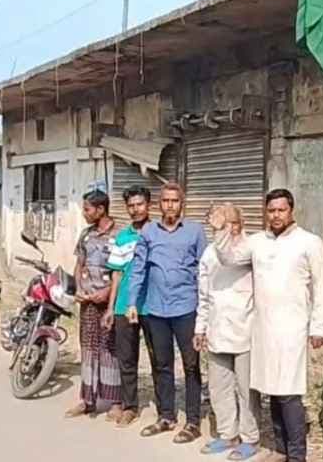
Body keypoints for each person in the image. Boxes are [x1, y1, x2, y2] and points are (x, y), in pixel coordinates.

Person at [210, 189, 323, 462]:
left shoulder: (308, 242)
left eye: (281, 210)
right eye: (271, 210)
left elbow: (321, 286)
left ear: (292, 211)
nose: (276, 215)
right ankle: (281, 450)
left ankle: (297, 455)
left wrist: (319, 327)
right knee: (272, 392)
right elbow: (229, 258)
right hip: (262, 329)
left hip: (292, 329)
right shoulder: (257, 242)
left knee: (289, 393)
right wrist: (220, 231)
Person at [125, 182, 208, 443]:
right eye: (165, 201)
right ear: (159, 204)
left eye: (175, 200)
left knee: (191, 365)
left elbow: (205, 269)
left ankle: (193, 421)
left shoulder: (194, 231)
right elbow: (138, 269)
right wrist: (131, 303)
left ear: (182, 203)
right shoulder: (149, 231)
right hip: (155, 309)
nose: (170, 205)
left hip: (186, 308)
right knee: (161, 365)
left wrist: (207, 310)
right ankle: (166, 416)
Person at [193, 204, 261, 461]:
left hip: (246, 328)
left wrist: (222, 230)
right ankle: (226, 433)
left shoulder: (250, 248)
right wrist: (201, 327)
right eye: (220, 223)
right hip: (217, 327)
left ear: (239, 223)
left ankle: (250, 437)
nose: (225, 227)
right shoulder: (209, 253)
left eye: (229, 222)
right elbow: (204, 295)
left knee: (246, 389)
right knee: (219, 387)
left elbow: (229, 256)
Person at [66, 190, 121, 419]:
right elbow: (79, 264)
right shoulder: (86, 235)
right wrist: (79, 288)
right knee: (88, 349)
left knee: (111, 350)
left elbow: (123, 272)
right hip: (88, 303)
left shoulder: (120, 235)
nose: (84, 213)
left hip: (111, 303)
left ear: (101, 210)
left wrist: (106, 294)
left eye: (87, 209)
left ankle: (116, 402)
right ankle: (88, 400)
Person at [101, 185, 152, 427]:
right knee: (127, 358)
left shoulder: (158, 232)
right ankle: (130, 406)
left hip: (153, 306)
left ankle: (166, 411)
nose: (135, 209)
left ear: (149, 205)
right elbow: (117, 276)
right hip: (124, 306)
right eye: (131, 206)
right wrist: (111, 308)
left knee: (159, 359)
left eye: (139, 204)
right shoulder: (122, 237)